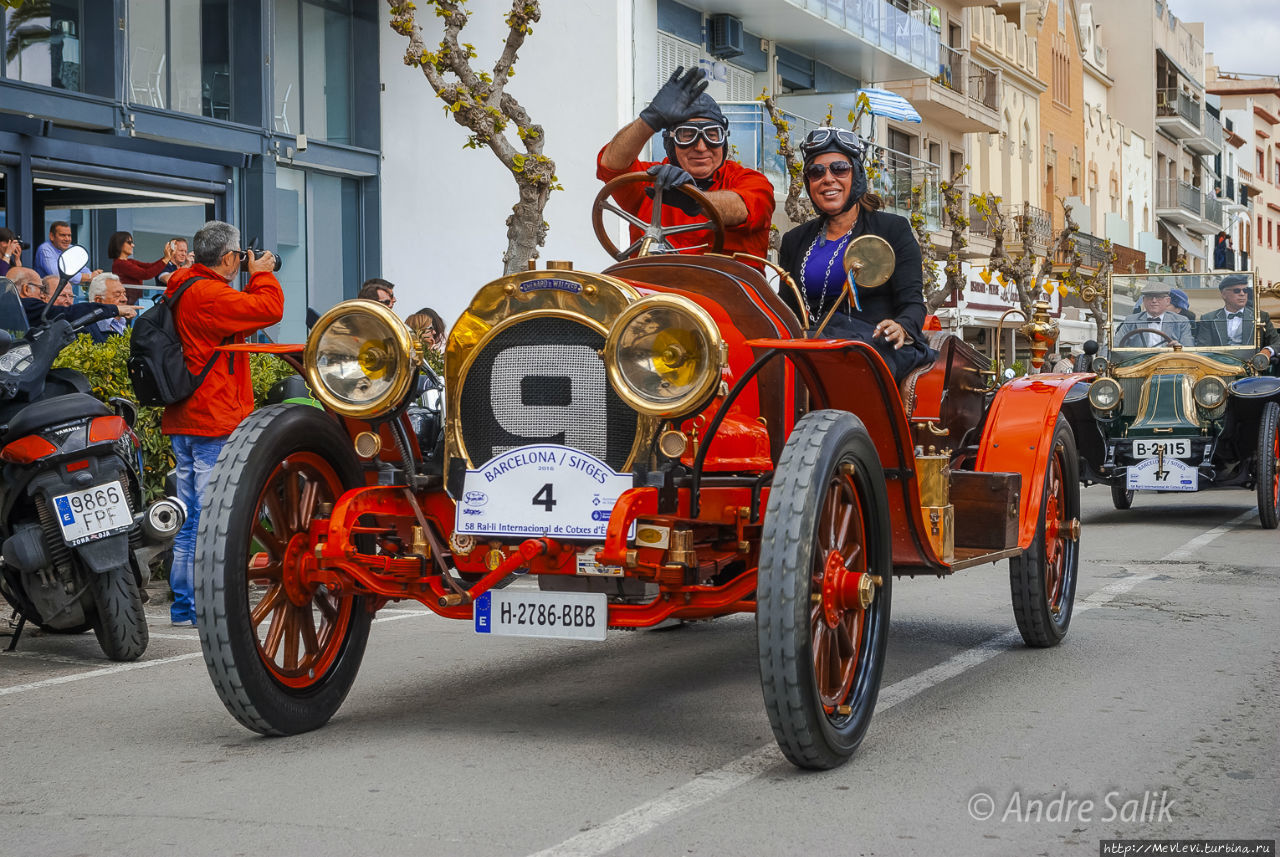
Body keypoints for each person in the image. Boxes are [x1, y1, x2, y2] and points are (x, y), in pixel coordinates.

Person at [162, 220, 283, 627]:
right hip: (211, 418)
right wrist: (263, 274)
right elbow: (268, 310)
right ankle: (196, 609)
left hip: (188, 417)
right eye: (240, 257)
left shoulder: (185, 285)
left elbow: (242, 317)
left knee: (191, 517)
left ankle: (185, 608)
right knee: (208, 519)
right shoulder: (210, 294)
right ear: (230, 257)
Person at [778, 127, 934, 382]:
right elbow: (786, 310)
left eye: (839, 168)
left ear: (857, 176)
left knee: (846, 362)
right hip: (810, 343)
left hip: (874, 346)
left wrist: (901, 326)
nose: (827, 179)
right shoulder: (794, 240)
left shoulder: (892, 229)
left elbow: (913, 302)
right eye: (816, 172)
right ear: (809, 183)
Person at [597, 66, 775, 263]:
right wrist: (650, 119)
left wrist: (693, 198)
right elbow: (612, 164)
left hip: (725, 289)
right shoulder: (651, 179)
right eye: (688, 135)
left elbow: (740, 208)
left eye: (712, 135)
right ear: (671, 143)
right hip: (651, 287)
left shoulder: (750, 181)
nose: (700, 147)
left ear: (723, 141)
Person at [10, 265, 133, 329]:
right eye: (41, 289)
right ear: (26, 289)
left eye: (71, 296)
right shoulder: (23, 306)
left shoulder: (10, 306)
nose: (42, 295)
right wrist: (114, 309)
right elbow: (67, 314)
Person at [1196, 274, 1280, 361]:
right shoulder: (1208, 318)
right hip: (1218, 367)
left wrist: (1267, 351)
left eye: (1245, 290)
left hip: (1252, 366)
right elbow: (1202, 349)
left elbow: (1277, 342)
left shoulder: (1261, 316)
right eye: (1237, 291)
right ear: (1224, 294)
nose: (1242, 294)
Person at [1115, 283, 1194, 347]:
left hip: (1169, 363)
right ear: (1144, 300)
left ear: (1167, 301)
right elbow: (1115, 344)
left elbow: (1189, 348)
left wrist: (1178, 347)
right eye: (1149, 297)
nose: (1154, 301)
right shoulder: (1131, 320)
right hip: (1139, 364)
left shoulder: (1181, 321)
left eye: (1159, 297)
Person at [33, 221, 98, 295]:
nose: (67, 239)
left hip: (67, 294)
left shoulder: (71, 248)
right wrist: (89, 277)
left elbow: (83, 269)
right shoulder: (45, 249)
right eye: (63, 235)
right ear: (52, 236)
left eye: (69, 235)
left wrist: (95, 276)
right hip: (48, 296)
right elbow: (59, 274)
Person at [109, 230, 172, 304]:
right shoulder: (120, 264)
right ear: (119, 244)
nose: (133, 245)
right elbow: (145, 274)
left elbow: (149, 266)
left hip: (133, 302)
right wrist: (166, 259)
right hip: (127, 304)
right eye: (129, 242)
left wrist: (167, 257)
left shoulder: (129, 261)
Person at [86, 272, 133, 343]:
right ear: (98, 301)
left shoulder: (127, 322)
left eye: (124, 294)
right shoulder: (87, 330)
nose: (125, 299)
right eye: (117, 295)